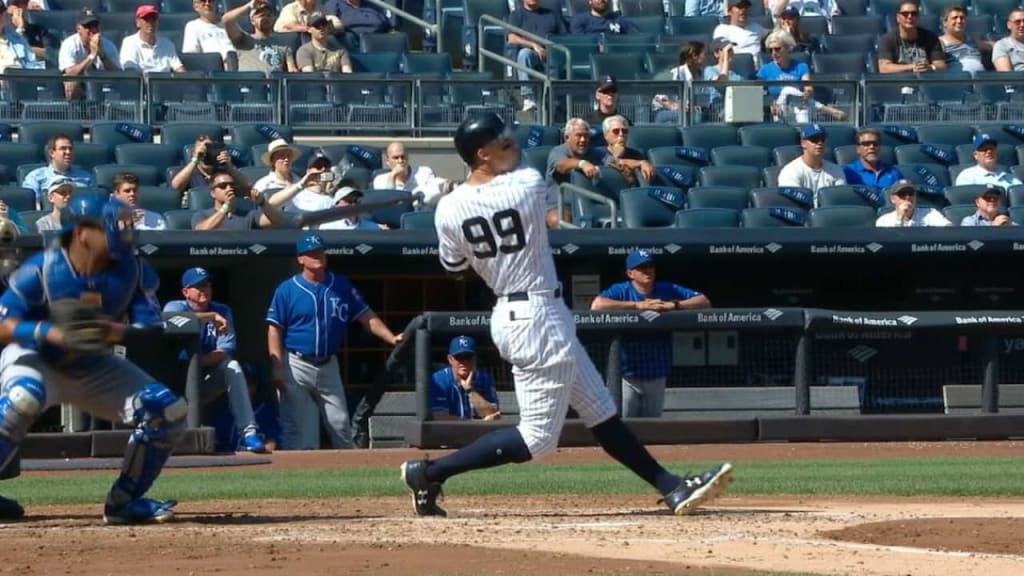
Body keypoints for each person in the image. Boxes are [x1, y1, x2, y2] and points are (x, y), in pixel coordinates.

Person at [400, 112, 733, 518]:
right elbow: (513, 190)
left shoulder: (448, 209)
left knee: (600, 411)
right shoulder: (526, 184)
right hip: (537, 317)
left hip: (517, 310)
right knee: (538, 440)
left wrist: (457, 197)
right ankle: (430, 471)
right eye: (504, 144)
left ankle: (672, 486)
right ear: (482, 154)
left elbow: (454, 267)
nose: (515, 146)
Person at [0, 194, 186, 523]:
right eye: (109, 226)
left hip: (93, 363)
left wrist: (109, 331)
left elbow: (151, 326)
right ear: (82, 232)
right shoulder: (42, 269)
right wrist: (50, 332)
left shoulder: (133, 270)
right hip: (37, 356)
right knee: (22, 398)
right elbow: (4, 326)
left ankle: (124, 502)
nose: (122, 231)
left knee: (168, 411)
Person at [266, 233, 403, 449]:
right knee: (295, 427)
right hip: (296, 363)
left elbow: (366, 316)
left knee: (339, 423)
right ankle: (293, 477)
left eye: (320, 252)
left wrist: (391, 337)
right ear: (300, 259)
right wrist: (277, 365)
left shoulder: (341, 284)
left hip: (328, 363)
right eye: (311, 254)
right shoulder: (287, 289)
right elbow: (274, 328)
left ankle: (350, 475)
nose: (317, 256)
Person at [591, 250, 710, 418]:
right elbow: (597, 305)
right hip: (626, 376)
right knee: (623, 425)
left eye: (650, 266)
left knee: (653, 429)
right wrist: (637, 306)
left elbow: (703, 301)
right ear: (630, 273)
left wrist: (674, 305)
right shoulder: (621, 290)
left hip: (656, 373)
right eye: (641, 268)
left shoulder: (666, 289)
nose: (648, 271)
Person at [163, 268, 269, 454]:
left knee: (232, 366)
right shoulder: (176, 306)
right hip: (174, 384)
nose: (204, 289)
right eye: (198, 286)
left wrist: (197, 362)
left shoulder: (222, 310)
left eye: (207, 285)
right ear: (186, 292)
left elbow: (224, 351)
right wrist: (209, 317)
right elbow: (170, 321)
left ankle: (248, 433)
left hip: (204, 381)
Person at [756, 30, 845, 122]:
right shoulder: (765, 70)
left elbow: (808, 87)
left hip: (801, 107)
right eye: (771, 50)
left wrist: (807, 93)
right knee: (787, 89)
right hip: (778, 111)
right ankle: (825, 109)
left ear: (787, 48)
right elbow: (756, 92)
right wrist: (771, 102)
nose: (773, 53)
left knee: (799, 102)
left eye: (777, 49)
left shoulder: (801, 67)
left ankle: (804, 129)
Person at [506, 0, 566, 113]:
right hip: (532, 54)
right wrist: (533, 45)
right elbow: (511, 38)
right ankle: (528, 97)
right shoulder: (517, 15)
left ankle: (557, 100)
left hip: (552, 54)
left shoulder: (552, 14)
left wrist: (552, 50)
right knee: (524, 54)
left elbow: (564, 37)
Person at [430, 336, 500, 420]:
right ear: (450, 359)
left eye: (468, 357)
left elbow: (494, 414)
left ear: (475, 359)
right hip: (449, 432)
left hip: (481, 432)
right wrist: (478, 424)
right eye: (459, 357)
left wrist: (470, 389)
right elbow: (440, 417)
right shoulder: (439, 379)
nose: (464, 362)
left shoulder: (484, 378)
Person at [59, 9, 121, 99]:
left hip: (104, 87)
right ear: (78, 29)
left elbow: (120, 76)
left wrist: (103, 56)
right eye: (88, 26)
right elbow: (69, 73)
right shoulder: (69, 44)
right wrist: (91, 56)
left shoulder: (108, 45)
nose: (93, 30)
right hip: (81, 88)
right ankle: (76, 111)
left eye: (95, 25)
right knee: (70, 82)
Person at [191, 171, 286, 230]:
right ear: (213, 193)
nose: (229, 188)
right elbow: (202, 231)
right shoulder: (202, 215)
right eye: (223, 186)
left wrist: (263, 202)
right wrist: (225, 208)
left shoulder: (248, 215)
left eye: (231, 185)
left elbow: (276, 221)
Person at [22, 134, 95, 210]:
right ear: (51, 153)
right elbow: (31, 205)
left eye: (70, 148)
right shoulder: (35, 177)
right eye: (63, 148)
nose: (68, 152)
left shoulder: (86, 178)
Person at [777, 124, 846, 202]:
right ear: (803, 143)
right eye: (814, 139)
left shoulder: (836, 170)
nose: (820, 143)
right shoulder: (790, 171)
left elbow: (840, 201)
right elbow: (794, 203)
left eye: (822, 139)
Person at [223, 0, 296, 73]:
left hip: (275, 83)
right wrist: (249, 6)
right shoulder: (243, 39)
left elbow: (292, 70)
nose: (265, 18)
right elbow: (227, 20)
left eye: (268, 15)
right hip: (250, 83)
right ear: (252, 20)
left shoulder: (284, 45)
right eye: (261, 15)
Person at [372, 141, 453, 206]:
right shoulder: (380, 180)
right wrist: (392, 177)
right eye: (396, 158)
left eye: (403, 157)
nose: (400, 161)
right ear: (387, 161)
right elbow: (387, 205)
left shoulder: (424, 172)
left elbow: (436, 189)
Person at [877, 1, 946, 74]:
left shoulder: (931, 37)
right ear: (898, 18)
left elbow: (941, 66)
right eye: (905, 14)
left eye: (914, 14)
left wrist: (930, 67)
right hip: (900, 82)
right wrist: (912, 67)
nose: (910, 17)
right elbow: (884, 68)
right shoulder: (887, 39)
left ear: (918, 17)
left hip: (925, 81)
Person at [119, 5, 186, 74]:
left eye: (153, 19)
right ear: (138, 22)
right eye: (146, 19)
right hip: (142, 83)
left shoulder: (167, 44)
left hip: (164, 83)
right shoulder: (129, 42)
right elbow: (129, 71)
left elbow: (179, 68)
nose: (150, 23)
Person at [600, 115, 654, 187]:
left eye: (624, 131)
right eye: (616, 131)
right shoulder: (599, 153)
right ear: (606, 135)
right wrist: (617, 157)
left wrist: (645, 163)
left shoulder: (636, 154)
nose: (621, 134)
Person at [182, 0, 237, 68]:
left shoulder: (228, 24)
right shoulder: (192, 26)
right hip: (216, 71)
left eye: (211, 0)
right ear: (195, 6)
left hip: (241, 63)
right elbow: (191, 57)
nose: (207, 3)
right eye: (203, 1)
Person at [954, 134, 1023, 187]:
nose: (989, 152)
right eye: (984, 149)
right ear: (975, 155)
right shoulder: (967, 176)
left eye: (992, 148)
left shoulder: (1010, 178)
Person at [875, 180, 952, 227]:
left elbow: (950, 230)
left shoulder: (930, 213)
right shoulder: (884, 220)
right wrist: (900, 219)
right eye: (902, 194)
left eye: (910, 193)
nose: (907, 197)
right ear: (893, 199)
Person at [939, 5, 988, 74]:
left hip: (980, 81)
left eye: (962, 18)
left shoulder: (972, 39)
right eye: (955, 18)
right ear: (945, 22)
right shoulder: (939, 42)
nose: (959, 21)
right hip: (958, 82)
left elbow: (990, 45)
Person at [569, 0, 638, 35]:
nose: (601, 0)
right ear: (590, 1)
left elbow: (638, 37)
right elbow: (581, 46)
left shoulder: (619, 19)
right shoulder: (579, 20)